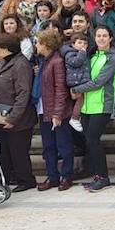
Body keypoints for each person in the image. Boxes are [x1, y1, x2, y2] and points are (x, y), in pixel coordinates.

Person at [66, 25, 115, 192]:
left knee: (93, 140)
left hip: (103, 105)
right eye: (98, 36)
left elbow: (98, 82)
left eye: (105, 36)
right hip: (87, 106)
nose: (101, 39)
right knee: (89, 142)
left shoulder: (114, 58)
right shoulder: (92, 55)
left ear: (111, 38)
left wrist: (75, 90)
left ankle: (103, 177)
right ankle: (97, 175)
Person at [0, 33, 36, 193]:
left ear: (6, 49)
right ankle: (5, 178)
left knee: (18, 151)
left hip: (18, 119)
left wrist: (13, 117)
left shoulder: (20, 64)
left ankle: (26, 180)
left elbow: (23, 93)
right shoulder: (2, 62)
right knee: (3, 152)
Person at [33, 29, 74, 191]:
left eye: (38, 42)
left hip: (58, 112)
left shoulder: (57, 61)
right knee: (48, 146)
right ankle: (52, 177)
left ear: (46, 45)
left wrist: (57, 113)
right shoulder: (43, 61)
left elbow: (61, 89)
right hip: (43, 110)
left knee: (63, 145)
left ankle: (67, 175)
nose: (36, 45)